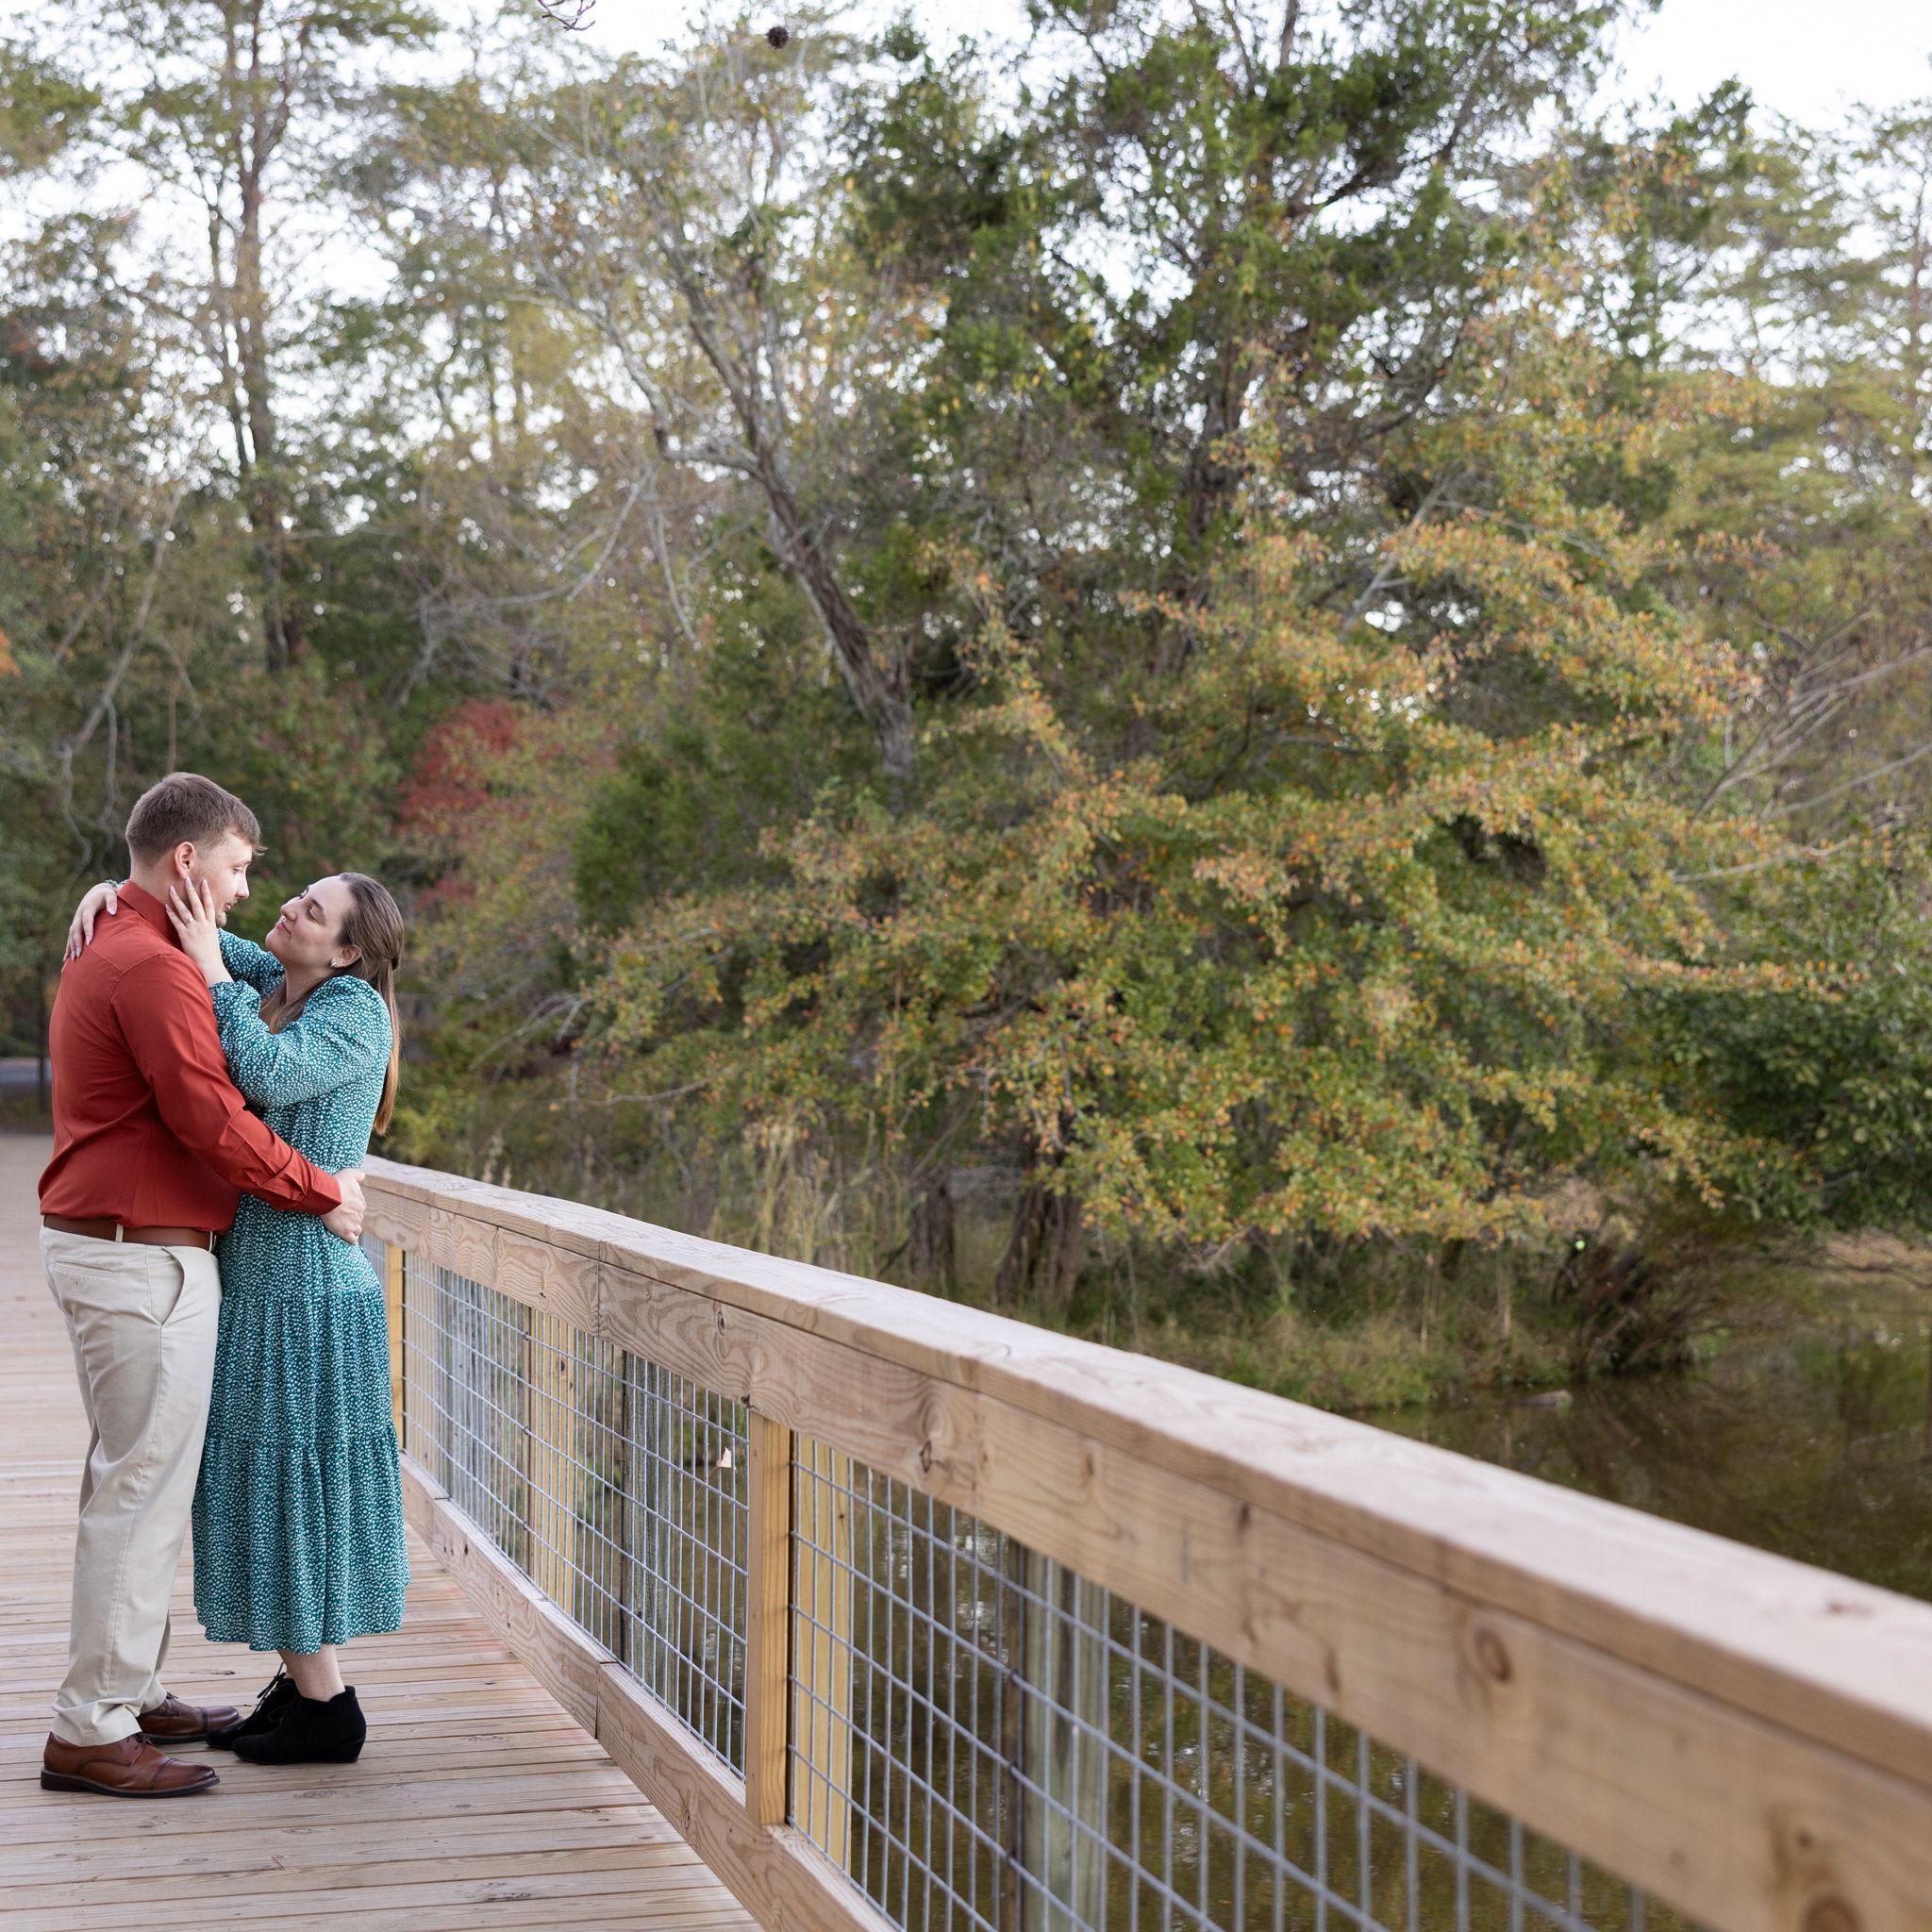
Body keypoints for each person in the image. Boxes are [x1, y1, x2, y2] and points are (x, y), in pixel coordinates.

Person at [38, 773, 366, 1800]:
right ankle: (92, 1727)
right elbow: (212, 1121)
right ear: (188, 859)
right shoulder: (150, 965)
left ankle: (129, 1691)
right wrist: (325, 1190)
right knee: (139, 1492)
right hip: (139, 1254)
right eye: (236, 867)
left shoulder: (122, 934)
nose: (242, 890)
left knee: (132, 1482)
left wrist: (112, 887)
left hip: (120, 1246)